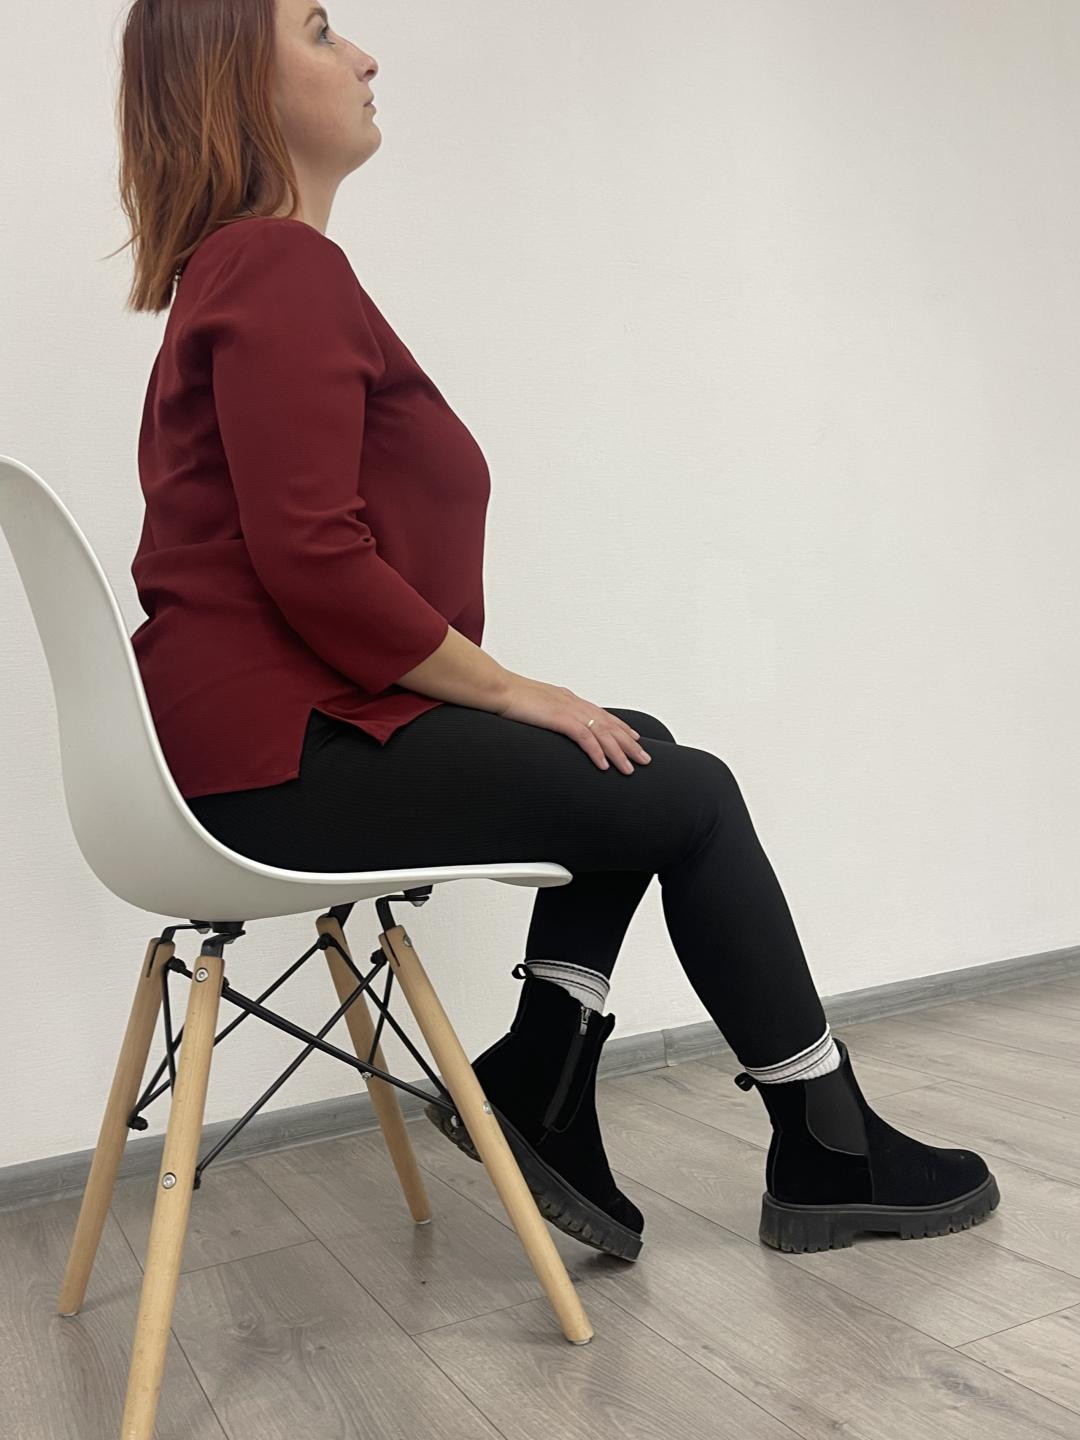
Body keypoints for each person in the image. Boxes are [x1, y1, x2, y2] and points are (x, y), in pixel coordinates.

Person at [117, 0, 999, 1263]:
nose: (362, 55)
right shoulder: (278, 264)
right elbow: (311, 554)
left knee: (631, 744)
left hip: (249, 749)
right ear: (235, 85)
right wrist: (512, 689)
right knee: (688, 792)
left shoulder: (240, 268)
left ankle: (549, 1070)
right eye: (319, 32)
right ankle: (826, 1139)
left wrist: (529, 703)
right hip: (273, 760)